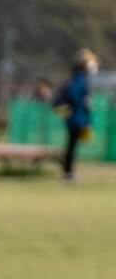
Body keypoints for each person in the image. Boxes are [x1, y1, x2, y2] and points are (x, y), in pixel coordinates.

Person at [53, 49, 99, 184]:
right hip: (76, 118)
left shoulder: (77, 76)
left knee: (72, 146)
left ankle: (68, 171)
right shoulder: (79, 78)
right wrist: (84, 102)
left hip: (74, 117)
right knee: (72, 146)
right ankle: (68, 173)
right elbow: (75, 94)